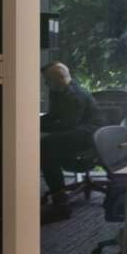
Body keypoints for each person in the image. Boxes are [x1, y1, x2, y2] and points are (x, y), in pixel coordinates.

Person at [40, 62, 106, 223]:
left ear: (58, 78)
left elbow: (67, 124)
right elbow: (54, 116)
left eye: (47, 80)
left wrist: (41, 130)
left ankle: (61, 204)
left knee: (45, 146)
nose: (46, 83)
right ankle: (58, 196)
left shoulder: (75, 95)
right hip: (75, 131)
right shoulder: (58, 91)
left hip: (90, 135)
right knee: (46, 144)